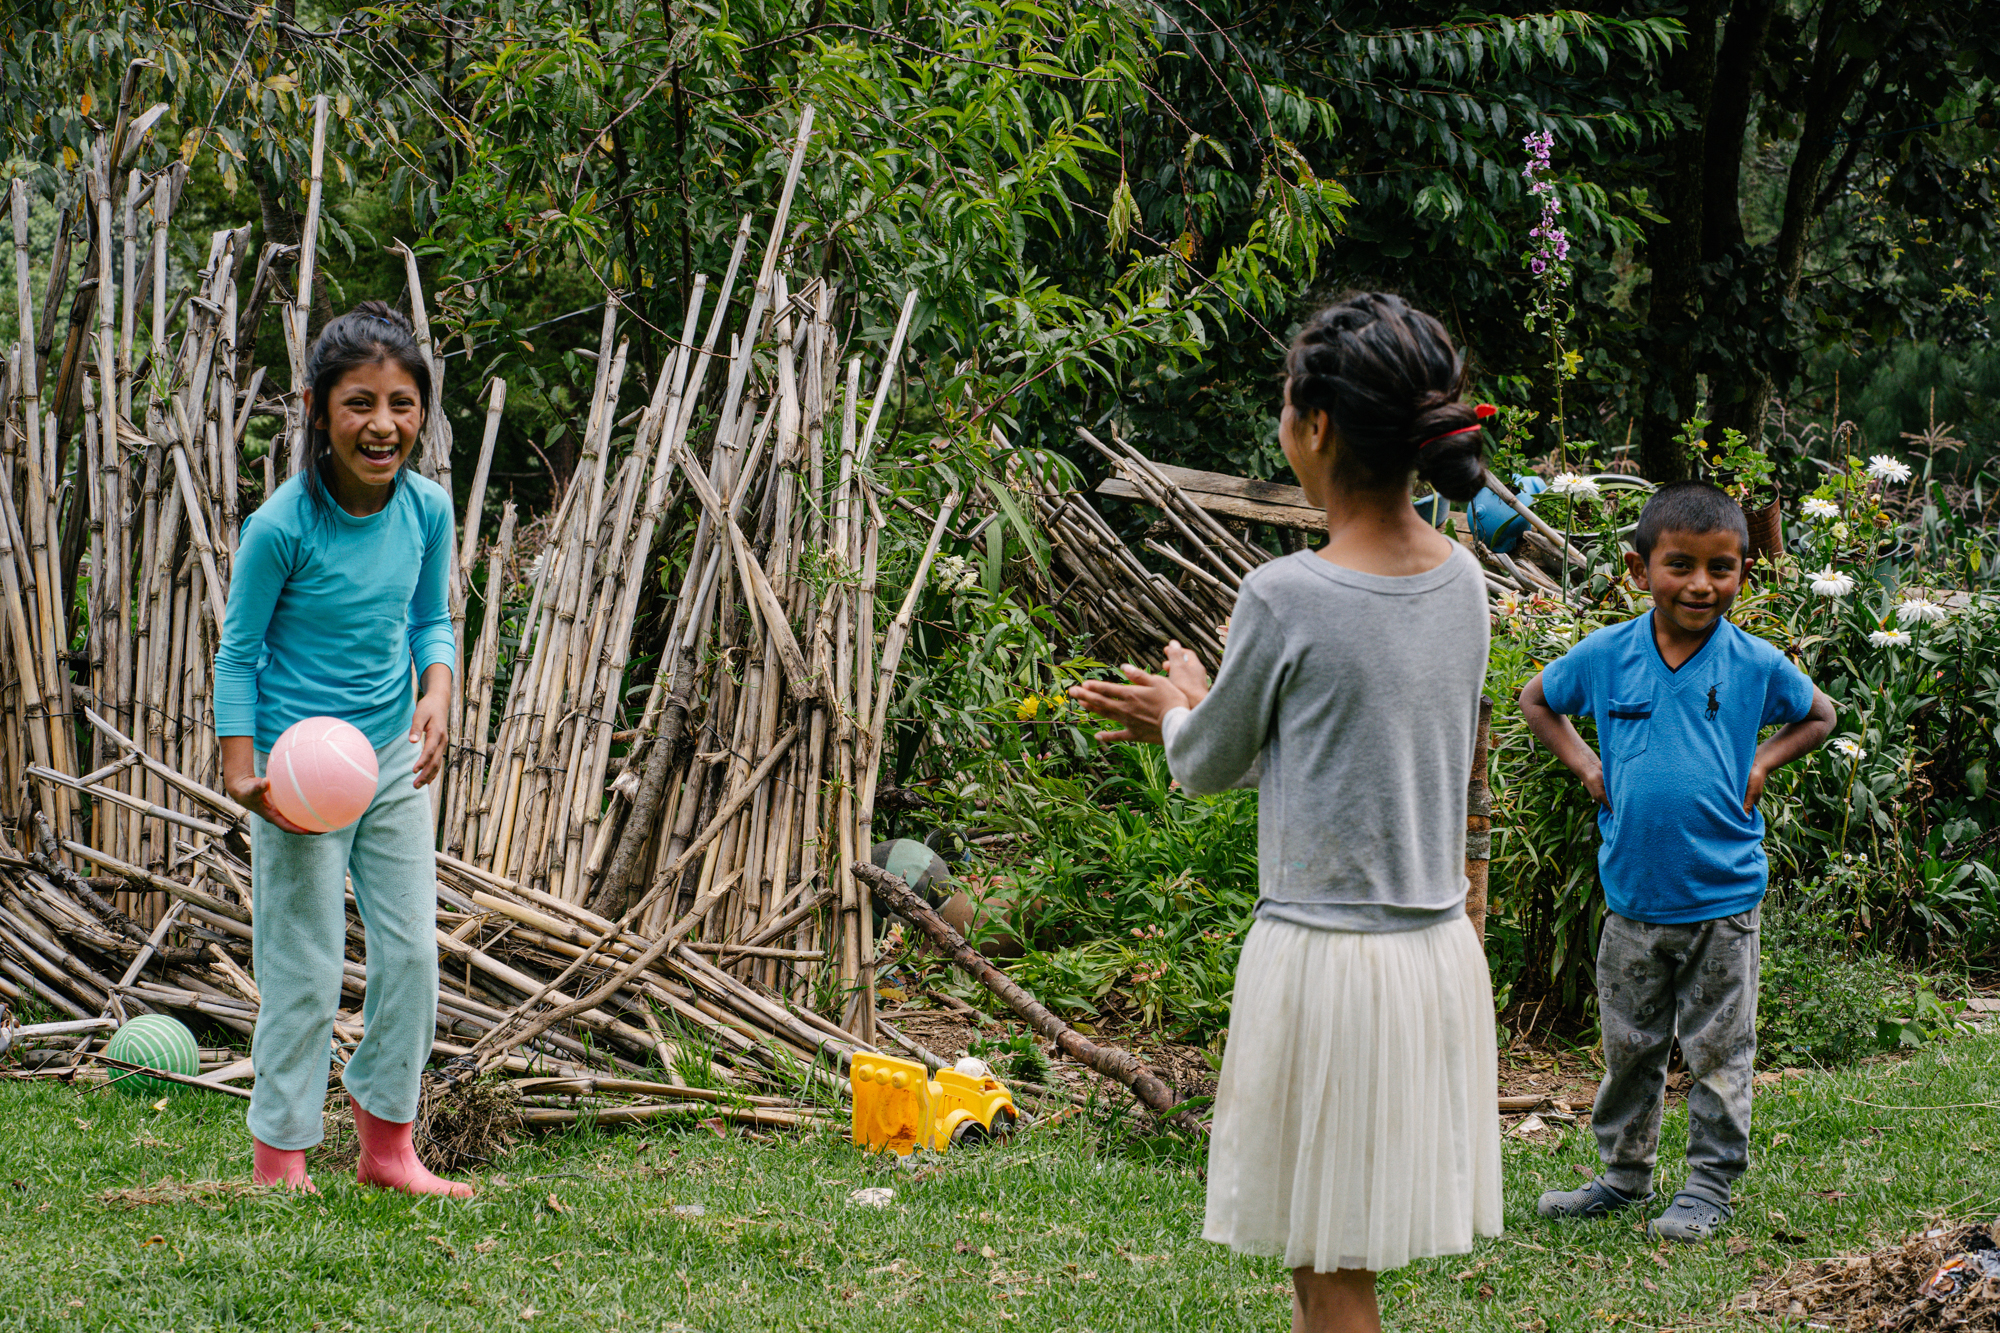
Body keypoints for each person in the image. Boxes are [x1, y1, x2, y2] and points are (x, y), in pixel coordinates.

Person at [1071, 292, 1501, 1333]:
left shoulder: (1286, 593)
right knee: (1326, 1264)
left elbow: (1207, 763)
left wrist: (1180, 705)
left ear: (1314, 425)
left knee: (1331, 1267)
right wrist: (1205, 706)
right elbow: (1349, 749)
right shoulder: (1463, 582)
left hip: (1328, 961)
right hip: (1432, 950)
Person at [1521, 481, 1834, 1241]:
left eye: (1721, 567)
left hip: (1722, 900)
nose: (1701, 584)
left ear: (1743, 573)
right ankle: (1622, 1176)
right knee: (1630, 1050)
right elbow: (1537, 700)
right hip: (1632, 898)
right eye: (1680, 565)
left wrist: (1761, 762)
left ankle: (1708, 1188)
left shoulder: (1754, 663)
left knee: (1719, 1052)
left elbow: (1820, 715)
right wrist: (1588, 766)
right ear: (1639, 569)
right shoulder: (1607, 657)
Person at [214, 301, 471, 1197]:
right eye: (360, 402)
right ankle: (281, 1155)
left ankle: (387, 1144)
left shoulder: (428, 509)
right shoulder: (282, 526)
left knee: (413, 956)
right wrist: (242, 770)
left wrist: (437, 691)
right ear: (319, 412)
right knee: (307, 965)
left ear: (423, 412)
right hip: (298, 771)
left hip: (391, 757)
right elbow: (238, 652)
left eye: (402, 403)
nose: (383, 424)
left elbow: (430, 618)